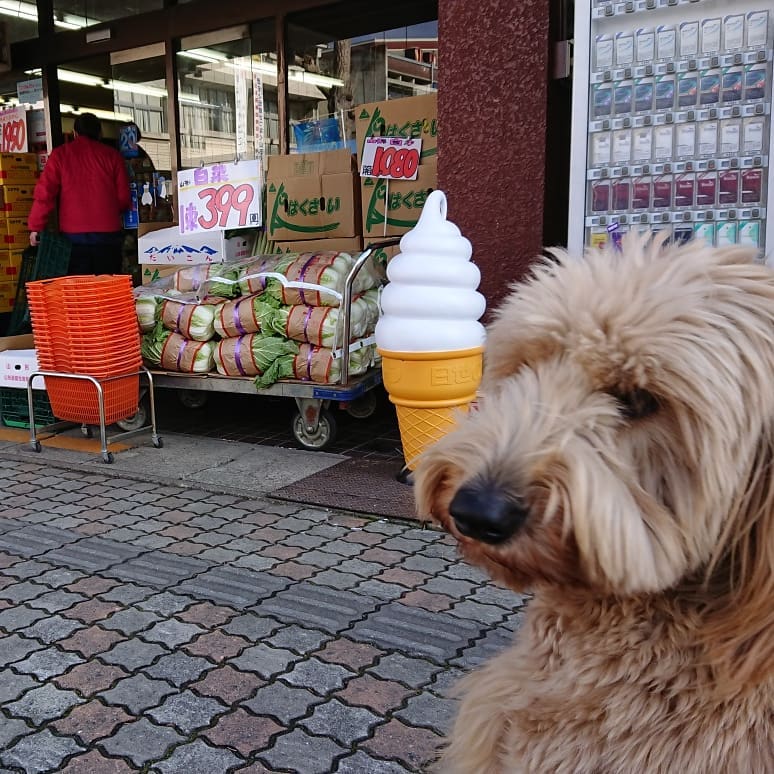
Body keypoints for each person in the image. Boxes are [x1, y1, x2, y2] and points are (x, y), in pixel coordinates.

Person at [28, 112, 131, 275]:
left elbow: (45, 193)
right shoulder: (113, 156)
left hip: (72, 237)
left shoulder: (60, 155)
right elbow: (124, 199)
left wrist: (36, 227)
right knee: (107, 287)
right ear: (100, 134)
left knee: (80, 291)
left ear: (74, 133)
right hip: (108, 235)